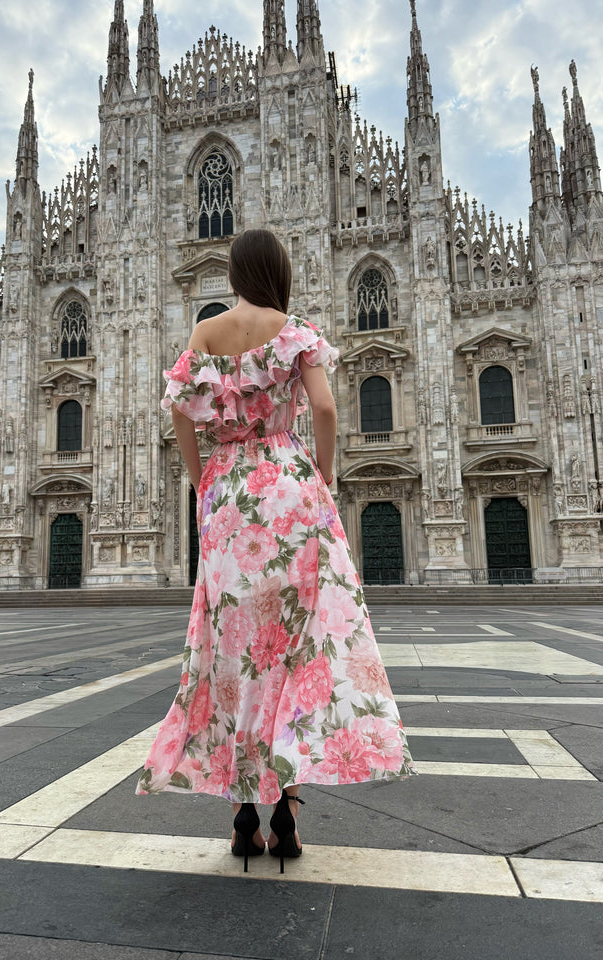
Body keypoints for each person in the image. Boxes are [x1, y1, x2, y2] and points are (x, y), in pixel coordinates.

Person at [136, 229, 416, 872]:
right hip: (291, 491)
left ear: (234, 273)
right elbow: (324, 406)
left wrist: (199, 475)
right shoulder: (295, 330)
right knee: (297, 650)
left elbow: (180, 411)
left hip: (230, 493)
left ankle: (241, 814)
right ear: (279, 272)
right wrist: (319, 472)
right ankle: (288, 808)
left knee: (235, 651)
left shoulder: (206, 333)